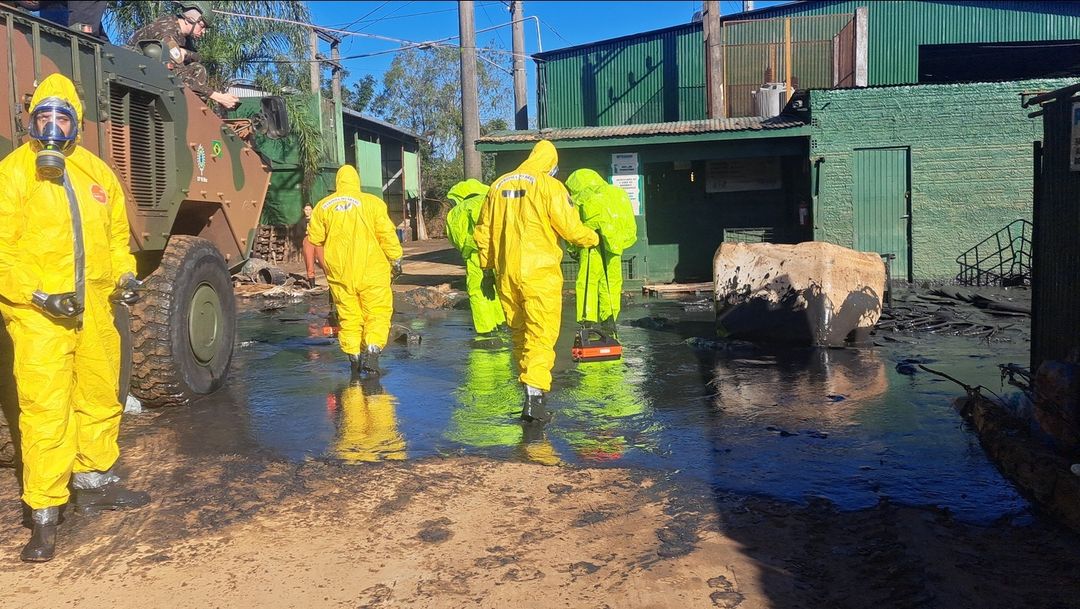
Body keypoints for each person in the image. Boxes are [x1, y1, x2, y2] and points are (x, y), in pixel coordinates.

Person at [0, 73, 149, 563]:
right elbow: (3, 252)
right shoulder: (13, 174)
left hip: (97, 311)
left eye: (61, 117)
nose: (52, 125)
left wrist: (125, 277)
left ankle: (94, 481)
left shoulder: (95, 172)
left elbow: (116, 240)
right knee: (45, 409)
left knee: (100, 396)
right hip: (39, 317)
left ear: (76, 123)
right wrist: (40, 295)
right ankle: (44, 513)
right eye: (43, 115)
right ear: (30, 121)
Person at [474, 140, 599, 423]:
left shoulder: (497, 186)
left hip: (507, 274)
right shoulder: (549, 186)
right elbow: (571, 228)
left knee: (519, 333)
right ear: (551, 164)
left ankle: (528, 389)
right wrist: (592, 238)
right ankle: (535, 399)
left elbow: (484, 232)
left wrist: (487, 268)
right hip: (540, 275)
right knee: (540, 335)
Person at [307, 165, 403, 377]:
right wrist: (396, 258)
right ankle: (373, 349)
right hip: (372, 269)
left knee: (348, 315)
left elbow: (315, 238)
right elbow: (386, 234)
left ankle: (354, 357)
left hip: (340, 272)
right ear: (356, 181)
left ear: (338, 182)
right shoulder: (372, 203)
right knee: (377, 311)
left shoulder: (323, 206)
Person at [129, 1, 240, 110]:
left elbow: (198, 57)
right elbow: (178, 76)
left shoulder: (184, 35)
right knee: (193, 71)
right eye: (202, 26)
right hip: (137, 76)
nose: (204, 31)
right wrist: (217, 97)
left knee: (197, 68)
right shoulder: (168, 32)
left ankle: (193, 110)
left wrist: (186, 53)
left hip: (152, 75)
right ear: (189, 20)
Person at [564, 168, 638, 329]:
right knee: (611, 281)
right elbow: (629, 222)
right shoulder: (618, 193)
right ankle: (609, 318)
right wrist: (620, 240)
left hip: (591, 243)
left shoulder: (580, 197)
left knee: (588, 280)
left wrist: (572, 248)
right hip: (615, 243)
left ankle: (587, 319)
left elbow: (571, 226)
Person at [445, 179, 506, 336]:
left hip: (477, 254)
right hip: (503, 252)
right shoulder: (496, 200)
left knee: (478, 291)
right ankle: (502, 323)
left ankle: (486, 330)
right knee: (499, 289)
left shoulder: (460, 209)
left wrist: (467, 252)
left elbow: (458, 238)